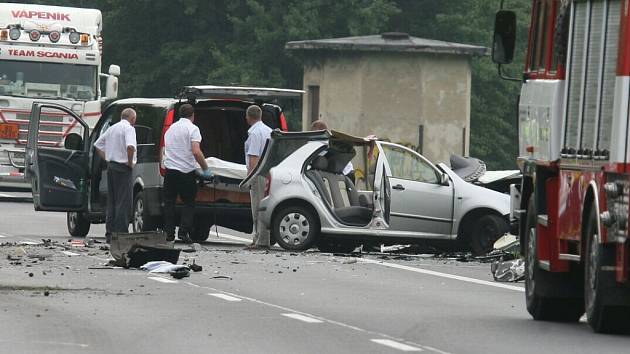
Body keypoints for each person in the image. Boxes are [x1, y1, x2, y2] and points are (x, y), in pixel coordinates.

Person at [161, 104, 212, 243]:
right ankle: (183, 232)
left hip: (170, 171)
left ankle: (169, 233)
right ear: (193, 115)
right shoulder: (193, 129)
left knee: (169, 203)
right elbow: (196, 151)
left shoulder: (170, 129)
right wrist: (205, 168)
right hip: (186, 171)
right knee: (188, 203)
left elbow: (166, 149)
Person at [94, 108, 137, 243]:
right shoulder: (129, 129)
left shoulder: (112, 129)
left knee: (112, 201)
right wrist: (130, 162)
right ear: (132, 118)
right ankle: (121, 234)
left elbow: (98, 145)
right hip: (123, 167)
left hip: (111, 167)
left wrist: (107, 158)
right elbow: (130, 147)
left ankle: (110, 233)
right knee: (123, 202)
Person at [245, 105, 272, 248]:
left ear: (248, 117)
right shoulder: (269, 131)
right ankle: (262, 238)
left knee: (257, 207)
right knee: (265, 207)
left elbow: (253, 158)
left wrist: (249, 178)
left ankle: (260, 240)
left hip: (258, 174)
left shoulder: (255, 133)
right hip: (269, 173)